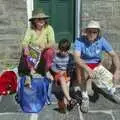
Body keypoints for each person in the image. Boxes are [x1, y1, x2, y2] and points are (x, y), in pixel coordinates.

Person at [74, 20, 120, 113]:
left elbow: (114, 55)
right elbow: (76, 58)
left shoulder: (101, 40)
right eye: (89, 31)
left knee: (116, 62)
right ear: (86, 32)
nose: (91, 34)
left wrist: (117, 71)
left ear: (98, 33)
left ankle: (113, 90)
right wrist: (87, 68)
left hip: (96, 65)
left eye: (94, 32)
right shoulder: (79, 41)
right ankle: (85, 97)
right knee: (79, 67)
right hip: (84, 65)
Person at [19, 10, 56, 87]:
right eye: (39, 19)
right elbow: (25, 42)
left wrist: (44, 47)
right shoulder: (30, 30)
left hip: (44, 51)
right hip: (33, 52)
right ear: (34, 20)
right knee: (27, 50)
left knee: (50, 52)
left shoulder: (48, 28)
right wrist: (25, 48)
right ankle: (31, 72)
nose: (41, 20)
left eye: (43, 19)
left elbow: (52, 42)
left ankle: (46, 71)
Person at [51, 39, 77, 113]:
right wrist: (59, 71)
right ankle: (69, 100)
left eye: (65, 51)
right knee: (62, 79)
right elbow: (52, 66)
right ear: (59, 49)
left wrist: (69, 76)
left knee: (67, 83)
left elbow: (72, 68)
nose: (63, 52)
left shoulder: (70, 57)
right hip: (58, 74)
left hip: (66, 74)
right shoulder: (56, 56)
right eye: (61, 50)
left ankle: (65, 104)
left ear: (68, 50)